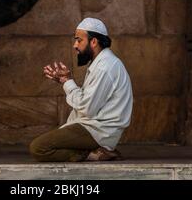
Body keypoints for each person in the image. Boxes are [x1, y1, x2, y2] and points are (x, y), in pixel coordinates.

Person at [29, 17, 133, 162]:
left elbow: (88, 108)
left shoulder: (105, 67)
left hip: (98, 131)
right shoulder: (102, 63)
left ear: (94, 42)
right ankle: (93, 150)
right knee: (49, 143)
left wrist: (67, 81)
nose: (75, 45)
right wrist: (65, 81)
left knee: (39, 148)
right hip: (92, 127)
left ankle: (92, 154)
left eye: (79, 40)